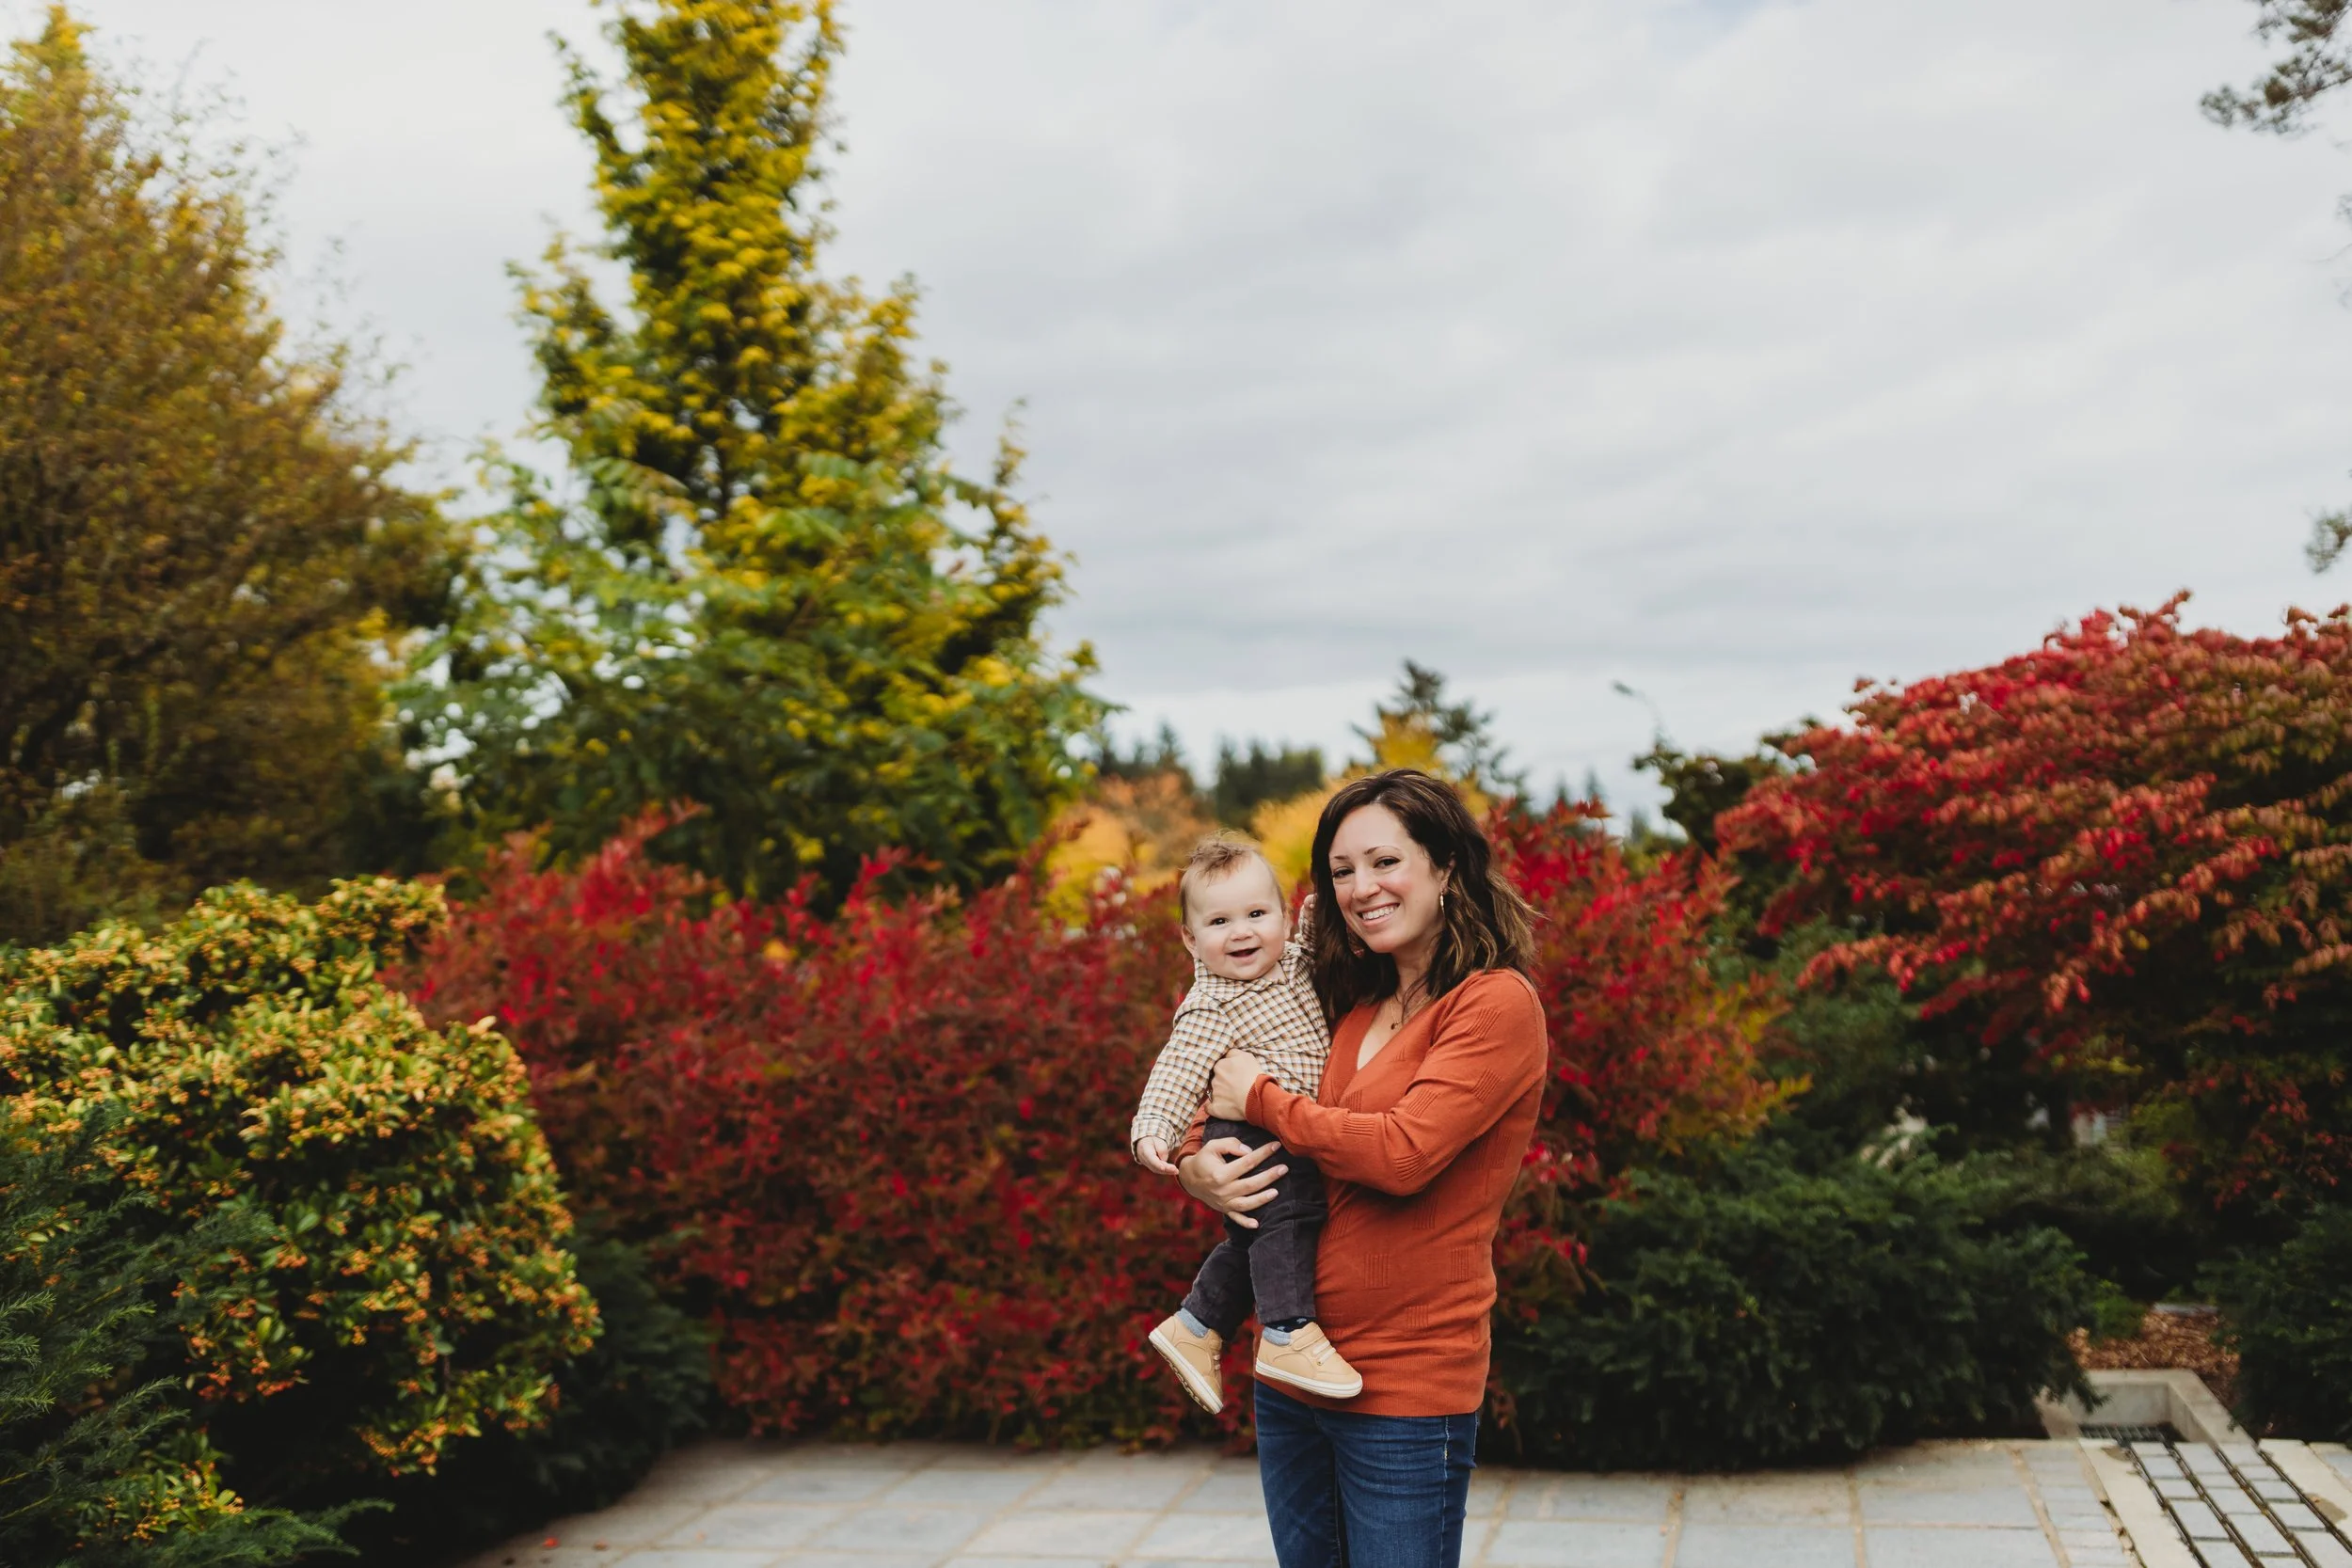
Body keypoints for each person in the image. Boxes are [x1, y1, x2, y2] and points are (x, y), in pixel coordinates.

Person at [1176, 768, 1546, 1568]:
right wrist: (1193, 1161)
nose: (1360, 887)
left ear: (1446, 865)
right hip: (1295, 1371)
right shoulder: (1346, 998)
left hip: (1406, 1387)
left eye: (1384, 861)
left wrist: (1266, 1099)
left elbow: (1403, 1154)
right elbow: (1213, 1075)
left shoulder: (1494, 1004)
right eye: (1341, 870)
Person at [1132, 836, 1363, 1407]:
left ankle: (1196, 1325)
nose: (1241, 932)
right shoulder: (1210, 1004)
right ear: (1191, 938)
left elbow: (1322, 940)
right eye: (1219, 921)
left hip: (1285, 1125)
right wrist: (1153, 1130)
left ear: (1282, 914)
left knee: (1255, 1235)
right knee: (1291, 1217)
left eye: (1257, 914)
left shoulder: (1294, 961)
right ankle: (1287, 1330)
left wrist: (1325, 904)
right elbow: (1178, 1070)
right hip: (1254, 1136)